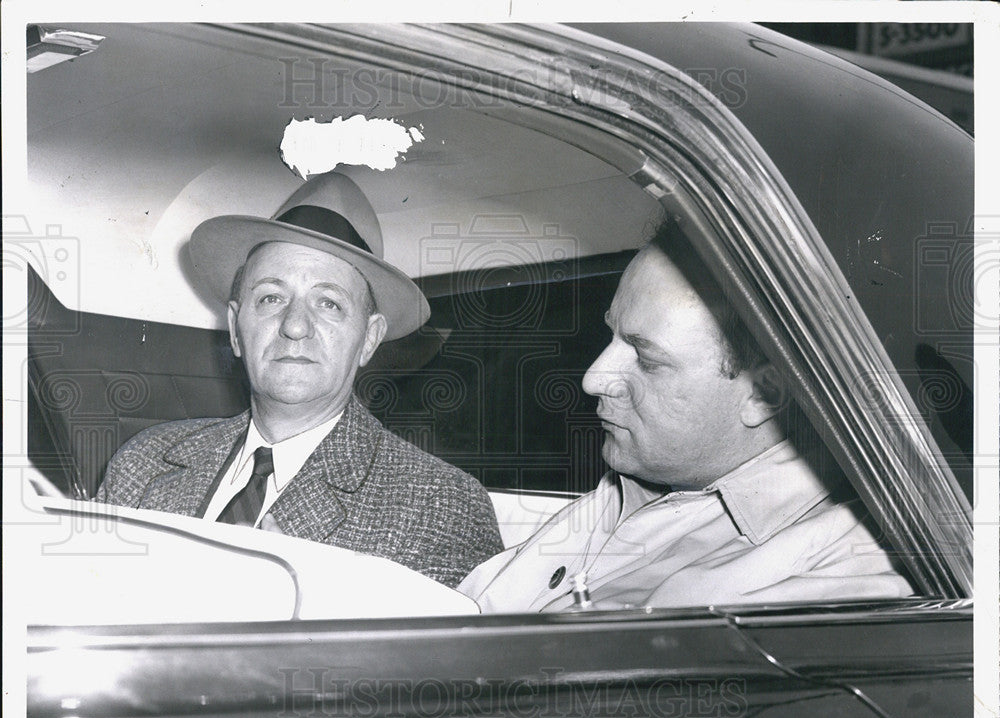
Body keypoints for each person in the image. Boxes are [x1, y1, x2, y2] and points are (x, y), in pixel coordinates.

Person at [460, 219, 914, 610]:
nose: (594, 378)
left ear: (763, 394)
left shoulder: (838, 574)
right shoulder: (633, 488)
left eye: (647, 358)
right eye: (611, 336)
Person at [98, 171, 502, 588]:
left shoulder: (440, 505)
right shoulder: (142, 464)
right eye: (271, 297)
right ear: (236, 328)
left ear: (369, 338)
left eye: (328, 303)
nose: (294, 326)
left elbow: (449, 655)